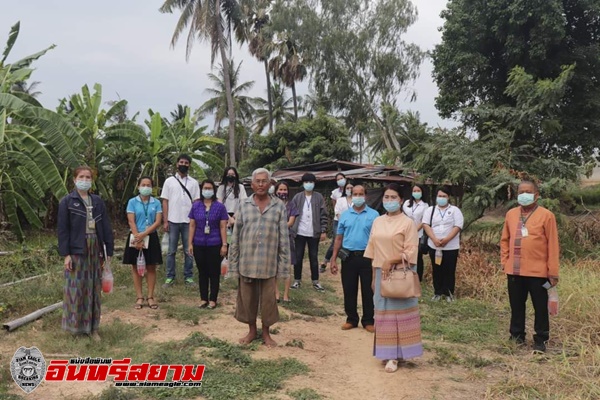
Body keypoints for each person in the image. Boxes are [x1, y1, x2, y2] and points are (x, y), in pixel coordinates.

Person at [364, 183, 422, 373]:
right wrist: (374, 277)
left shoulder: (408, 223)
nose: (389, 201)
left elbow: (412, 249)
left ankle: (396, 356)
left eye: (393, 197)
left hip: (399, 274)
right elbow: (372, 249)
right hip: (381, 272)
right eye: (386, 197)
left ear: (401, 200)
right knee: (382, 314)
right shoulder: (378, 221)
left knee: (400, 314)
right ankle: (386, 352)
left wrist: (392, 260)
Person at [229, 168, 290, 347]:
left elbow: (284, 239)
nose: (261, 184)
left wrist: (284, 266)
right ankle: (251, 331)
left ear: (270, 184)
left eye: (265, 181)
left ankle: (266, 333)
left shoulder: (278, 206)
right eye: (258, 181)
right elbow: (236, 236)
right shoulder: (243, 205)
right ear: (252, 184)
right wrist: (233, 264)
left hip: (268, 264)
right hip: (247, 262)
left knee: (268, 302)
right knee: (247, 300)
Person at [500, 180, 559, 353]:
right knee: (516, 305)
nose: (523, 195)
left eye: (528, 191)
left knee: (540, 307)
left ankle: (541, 339)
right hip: (514, 270)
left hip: (538, 271)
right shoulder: (511, 214)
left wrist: (553, 272)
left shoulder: (547, 215)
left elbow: (553, 245)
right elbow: (504, 240)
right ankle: (516, 335)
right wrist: (505, 262)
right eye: (521, 191)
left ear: (536, 195)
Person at [57, 166, 114, 340]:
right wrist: (66, 254)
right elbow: (63, 230)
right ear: (74, 180)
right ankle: (75, 328)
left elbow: (105, 227)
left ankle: (92, 328)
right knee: (76, 288)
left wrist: (108, 251)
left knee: (93, 288)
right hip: (77, 249)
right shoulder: (67, 201)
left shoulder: (97, 201)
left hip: (95, 247)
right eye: (81, 176)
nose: (85, 180)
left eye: (88, 177)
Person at [330, 185, 378, 332]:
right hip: (348, 257)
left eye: (361, 194)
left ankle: (368, 320)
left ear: (366, 196)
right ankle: (351, 319)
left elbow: (377, 238)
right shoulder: (345, 215)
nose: (358, 196)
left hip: (367, 257)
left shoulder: (374, 215)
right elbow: (338, 238)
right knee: (349, 289)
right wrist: (333, 258)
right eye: (355, 194)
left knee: (368, 290)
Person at [188, 179, 229, 309]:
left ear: (214, 190)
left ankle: (213, 299)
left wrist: (224, 244)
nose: (207, 191)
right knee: (202, 272)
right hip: (199, 243)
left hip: (215, 243)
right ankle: (203, 298)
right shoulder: (196, 205)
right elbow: (192, 225)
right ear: (201, 190)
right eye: (205, 188)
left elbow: (223, 226)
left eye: (210, 188)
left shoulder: (220, 206)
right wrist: (190, 243)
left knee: (214, 272)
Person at [123, 176, 163, 309]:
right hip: (135, 236)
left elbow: (158, 222)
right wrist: (137, 237)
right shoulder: (132, 202)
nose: (146, 187)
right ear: (138, 186)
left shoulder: (156, 202)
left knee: (151, 267)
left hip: (151, 236)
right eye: (143, 185)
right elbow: (131, 220)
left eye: (149, 185)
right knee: (135, 267)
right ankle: (139, 297)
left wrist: (144, 234)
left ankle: (150, 297)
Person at [161, 154, 200, 288]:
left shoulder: (194, 183)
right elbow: (165, 201)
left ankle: (188, 277)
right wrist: (165, 221)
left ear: (189, 165)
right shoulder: (169, 181)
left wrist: (195, 221)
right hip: (173, 220)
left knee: (189, 250)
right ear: (177, 164)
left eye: (186, 162)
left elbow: (196, 203)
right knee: (171, 251)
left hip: (189, 222)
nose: (184, 164)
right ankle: (169, 277)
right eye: (181, 162)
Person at [422, 186, 464, 302]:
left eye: (444, 196)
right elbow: (426, 225)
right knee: (437, 269)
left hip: (450, 246)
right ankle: (438, 292)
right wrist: (434, 239)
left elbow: (457, 226)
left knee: (449, 270)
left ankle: (449, 293)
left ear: (448, 197)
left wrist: (446, 240)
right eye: (439, 196)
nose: (441, 198)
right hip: (434, 245)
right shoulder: (430, 210)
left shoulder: (455, 210)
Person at [290, 173, 328, 291]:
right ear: (303, 183)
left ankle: (315, 281)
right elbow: (292, 213)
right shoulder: (297, 197)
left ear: (314, 183)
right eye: (306, 182)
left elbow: (324, 215)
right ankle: (297, 280)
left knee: (313, 257)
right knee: (298, 256)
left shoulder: (319, 197)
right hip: (300, 232)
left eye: (311, 182)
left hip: (314, 233)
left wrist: (323, 230)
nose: (309, 184)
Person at [273, 181, 299, 303]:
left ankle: (286, 295)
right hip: (272, 238)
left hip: (287, 238)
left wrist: (279, 227)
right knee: (274, 266)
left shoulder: (292, 204)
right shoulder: (271, 203)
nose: (282, 192)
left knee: (287, 267)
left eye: (285, 190)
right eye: (280, 190)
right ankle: (276, 293)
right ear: (276, 190)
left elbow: (291, 222)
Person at [321, 172, 347, 272]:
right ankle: (325, 262)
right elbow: (334, 206)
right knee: (335, 241)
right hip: (338, 220)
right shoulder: (335, 193)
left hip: (350, 221)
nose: (340, 180)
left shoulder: (351, 191)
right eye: (338, 179)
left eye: (341, 178)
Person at [402, 184, 429, 281]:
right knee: (405, 254)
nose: (416, 193)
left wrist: (414, 230)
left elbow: (424, 220)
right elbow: (403, 215)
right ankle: (406, 274)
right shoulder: (406, 203)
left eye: (418, 191)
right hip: (405, 233)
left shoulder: (425, 205)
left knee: (417, 256)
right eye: (414, 191)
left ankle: (418, 277)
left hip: (418, 234)